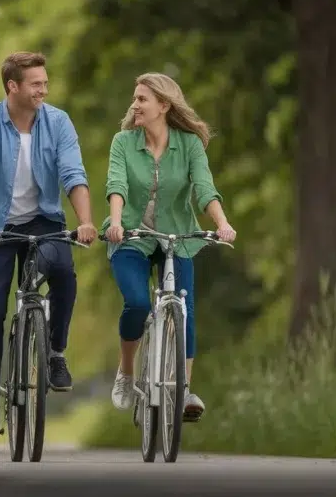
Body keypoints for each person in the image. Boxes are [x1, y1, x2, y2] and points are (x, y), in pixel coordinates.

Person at [0, 51, 97, 436]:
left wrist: (85, 221)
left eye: (45, 83)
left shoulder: (58, 122)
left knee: (65, 272)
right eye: (36, 84)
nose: (44, 90)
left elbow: (73, 173)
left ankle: (55, 353)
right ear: (13, 86)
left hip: (43, 219)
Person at [101, 72, 236, 422]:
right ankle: (128, 372)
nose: (135, 105)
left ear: (164, 105)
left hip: (177, 237)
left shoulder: (188, 144)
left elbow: (205, 188)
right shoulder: (123, 142)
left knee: (183, 307)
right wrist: (116, 222)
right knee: (137, 303)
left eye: (142, 99)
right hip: (130, 236)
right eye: (135, 98)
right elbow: (116, 183)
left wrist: (221, 224)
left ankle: (185, 389)